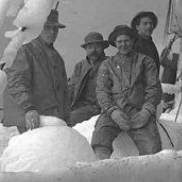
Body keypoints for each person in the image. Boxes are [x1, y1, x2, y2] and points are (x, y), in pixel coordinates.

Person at [92, 25, 162, 159]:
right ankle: (101, 172)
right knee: (100, 137)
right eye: (119, 42)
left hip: (139, 111)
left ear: (133, 41)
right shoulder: (107, 65)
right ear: (115, 44)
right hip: (114, 111)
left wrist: (146, 111)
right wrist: (113, 111)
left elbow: (153, 88)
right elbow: (102, 91)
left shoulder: (146, 62)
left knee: (152, 148)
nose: (123, 45)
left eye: (126, 41)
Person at [3, 9, 69, 132]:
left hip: (52, 122)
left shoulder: (57, 58)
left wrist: (66, 119)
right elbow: (16, 82)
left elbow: (64, 93)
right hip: (28, 121)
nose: (52, 32)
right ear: (38, 28)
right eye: (47, 28)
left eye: (55, 28)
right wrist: (29, 109)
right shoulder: (24, 50)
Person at [68, 32, 110, 125]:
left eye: (97, 47)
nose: (93, 50)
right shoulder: (81, 65)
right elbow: (72, 86)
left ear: (103, 48)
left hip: (96, 106)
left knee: (68, 119)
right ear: (86, 49)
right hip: (78, 103)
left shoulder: (110, 64)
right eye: (90, 47)